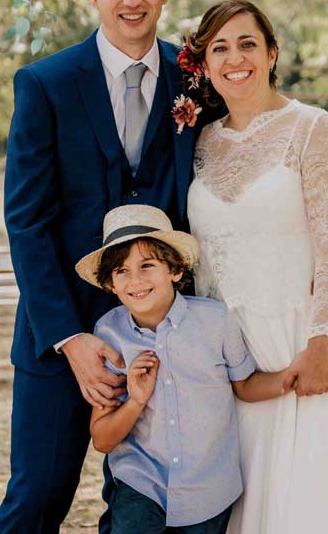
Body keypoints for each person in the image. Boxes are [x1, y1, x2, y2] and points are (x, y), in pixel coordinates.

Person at [0, 0, 196, 534]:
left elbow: (252, 152)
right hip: (61, 335)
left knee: (143, 508)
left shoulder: (197, 77)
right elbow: (26, 221)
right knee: (36, 499)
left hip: (163, 337)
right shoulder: (46, 84)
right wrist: (70, 339)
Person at [181, 0, 328, 533]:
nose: (235, 58)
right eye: (220, 48)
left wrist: (321, 341)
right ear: (205, 63)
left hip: (301, 337)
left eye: (248, 44)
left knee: (307, 500)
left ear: (271, 53)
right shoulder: (200, 141)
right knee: (243, 501)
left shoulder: (312, 127)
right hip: (233, 355)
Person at [75, 205, 293, 534]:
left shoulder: (216, 321)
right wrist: (136, 401)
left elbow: (246, 385)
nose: (135, 280)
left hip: (207, 489)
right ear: (110, 284)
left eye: (147, 265)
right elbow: (103, 440)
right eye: (121, 271)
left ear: (175, 270)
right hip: (140, 484)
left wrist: (292, 377)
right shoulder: (108, 334)